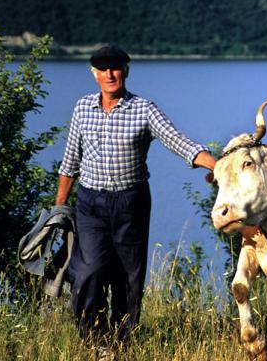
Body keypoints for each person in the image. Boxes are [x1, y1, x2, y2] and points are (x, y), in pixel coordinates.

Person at [55, 45, 215, 346]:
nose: (110, 74)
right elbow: (70, 162)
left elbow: (178, 142)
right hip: (90, 203)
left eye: (115, 67)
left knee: (128, 276)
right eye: (103, 69)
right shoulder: (82, 108)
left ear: (126, 71)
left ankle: (123, 341)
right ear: (94, 74)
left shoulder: (144, 108)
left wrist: (220, 167)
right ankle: (95, 340)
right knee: (89, 271)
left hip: (131, 203)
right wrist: (59, 208)